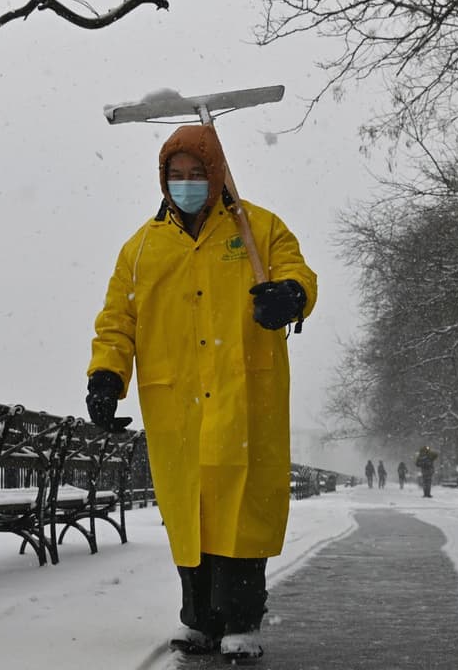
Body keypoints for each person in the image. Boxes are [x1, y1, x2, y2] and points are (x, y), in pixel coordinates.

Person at [85, 124, 317, 663]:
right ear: (163, 179)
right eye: (176, 175)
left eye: (197, 174)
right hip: (177, 401)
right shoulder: (141, 248)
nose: (186, 183)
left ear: (216, 175)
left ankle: (240, 621)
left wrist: (291, 296)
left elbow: (298, 273)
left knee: (241, 510)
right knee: (190, 513)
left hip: (244, 394)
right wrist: (106, 376)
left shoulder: (258, 228)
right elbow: (117, 321)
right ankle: (200, 620)